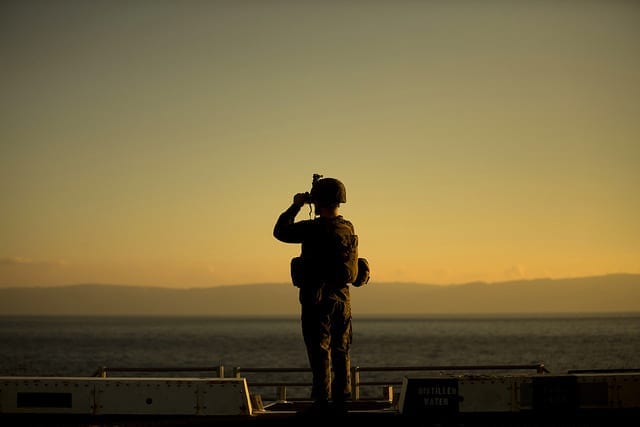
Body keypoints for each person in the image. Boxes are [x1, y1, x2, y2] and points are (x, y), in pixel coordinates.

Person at [273, 176, 359, 416]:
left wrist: (297, 204)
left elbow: (280, 231)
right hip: (343, 299)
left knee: (319, 349)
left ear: (318, 201)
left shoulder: (312, 229)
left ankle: (322, 401)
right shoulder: (348, 227)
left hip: (316, 298)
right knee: (341, 348)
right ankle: (342, 399)